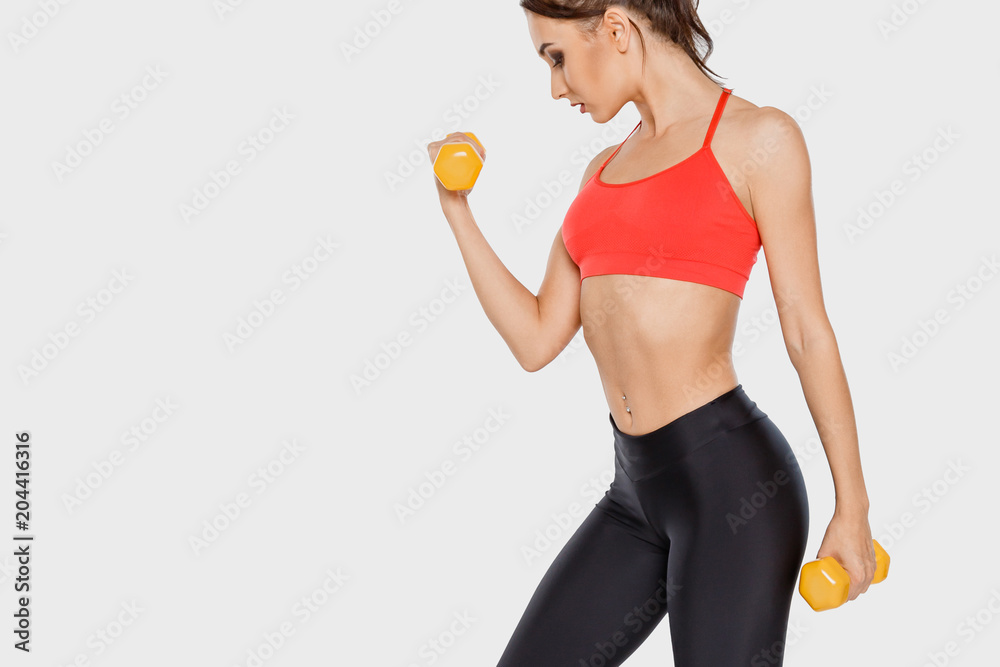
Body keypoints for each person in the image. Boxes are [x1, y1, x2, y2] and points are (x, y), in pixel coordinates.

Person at [426, 2, 877, 665]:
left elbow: (807, 332)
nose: (555, 86)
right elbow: (535, 339)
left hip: (734, 492)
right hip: (634, 497)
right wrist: (457, 209)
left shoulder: (759, 139)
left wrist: (853, 508)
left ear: (615, 29)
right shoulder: (601, 173)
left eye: (557, 58)